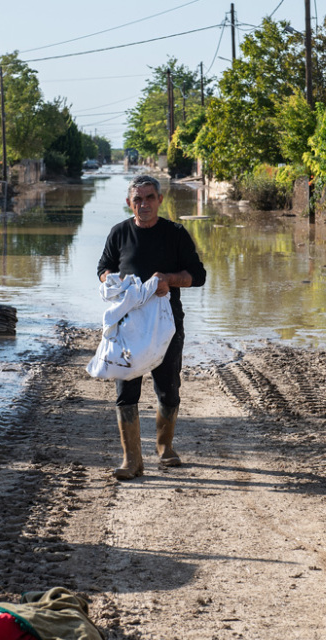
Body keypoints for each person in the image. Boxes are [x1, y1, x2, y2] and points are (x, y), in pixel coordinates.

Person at [96, 175, 207, 479]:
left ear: (160, 200)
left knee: (168, 389)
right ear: (129, 202)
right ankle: (131, 461)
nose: (143, 204)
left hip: (166, 324)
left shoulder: (175, 233)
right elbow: (103, 269)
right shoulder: (119, 233)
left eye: (149, 198)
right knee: (125, 390)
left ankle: (165, 448)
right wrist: (114, 282)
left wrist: (169, 280)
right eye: (137, 199)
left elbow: (198, 276)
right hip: (128, 325)